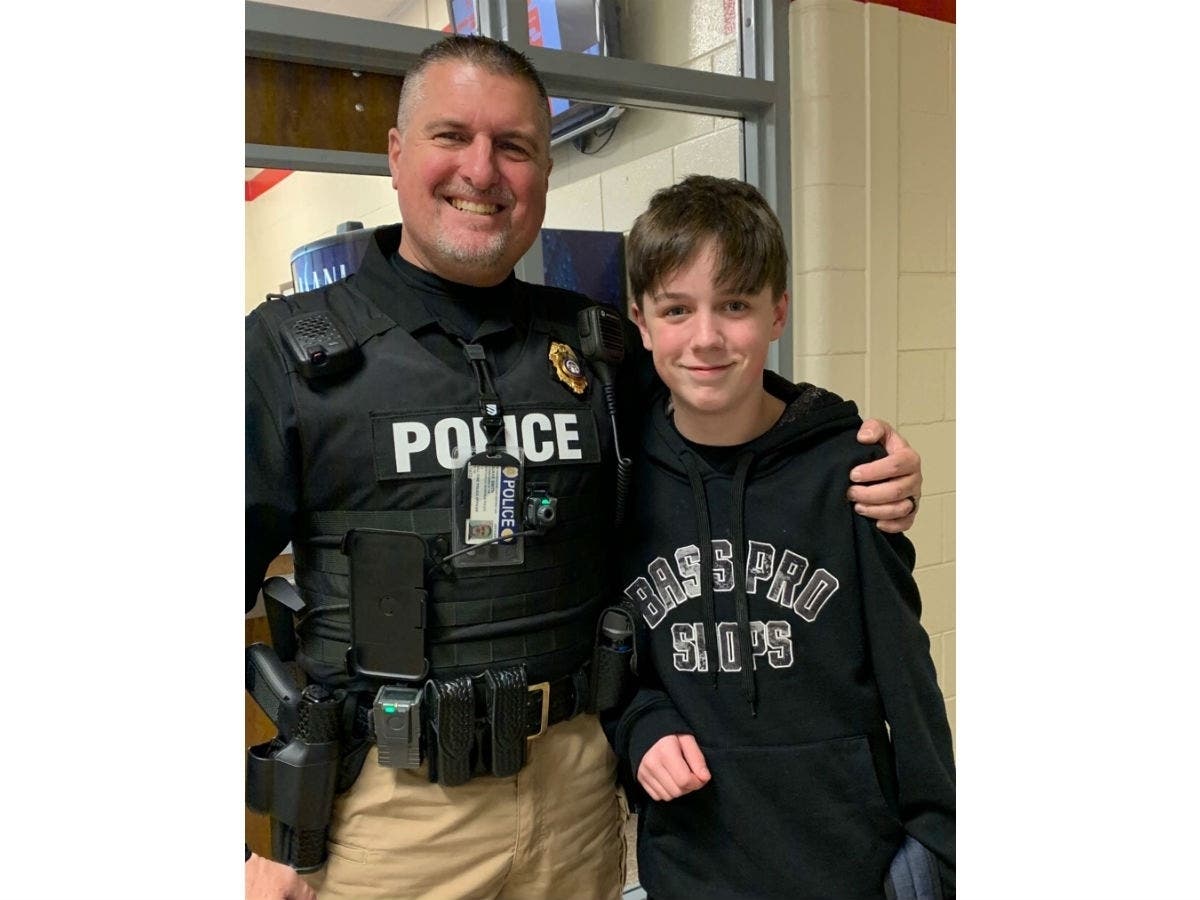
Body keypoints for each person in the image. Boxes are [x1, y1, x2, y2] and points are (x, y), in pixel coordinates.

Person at [245, 35, 925, 900]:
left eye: (515, 146)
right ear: (396, 153)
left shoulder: (593, 345)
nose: (482, 171)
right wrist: (254, 848)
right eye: (452, 136)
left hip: (577, 789)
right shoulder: (289, 352)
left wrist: (855, 447)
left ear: (544, 172)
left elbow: (722, 393)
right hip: (394, 815)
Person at [606, 175, 955, 900]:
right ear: (640, 323)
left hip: (848, 859)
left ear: (778, 313)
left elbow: (905, 664)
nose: (706, 338)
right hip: (693, 860)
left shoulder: (852, 470)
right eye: (678, 309)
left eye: (735, 305)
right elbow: (614, 660)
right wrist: (641, 728)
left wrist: (941, 838)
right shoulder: (618, 481)